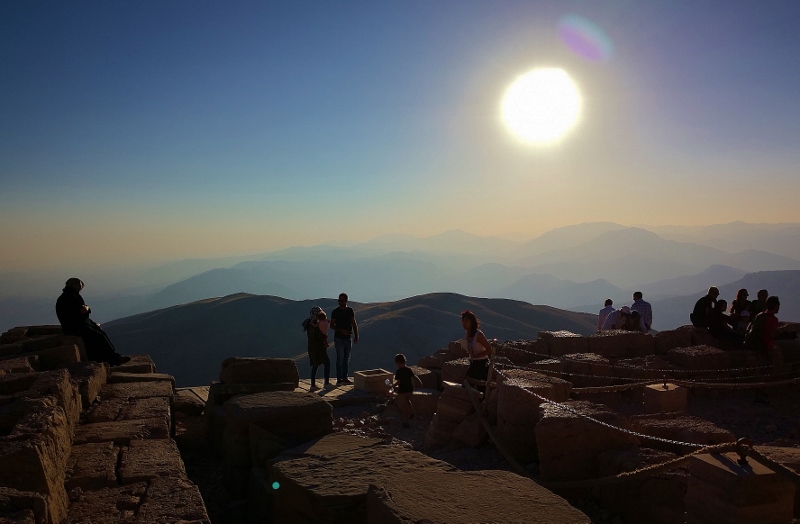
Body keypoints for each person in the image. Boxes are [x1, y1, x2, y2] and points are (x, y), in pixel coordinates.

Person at [55, 278, 130, 366]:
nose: (81, 287)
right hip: (75, 327)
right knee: (98, 336)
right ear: (74, 285)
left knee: (98, 331)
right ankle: (113, 359)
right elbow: (82, 310)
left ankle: (109, 358)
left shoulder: (67, 296)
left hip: (76, 324)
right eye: (80, 285)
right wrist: (87, 307)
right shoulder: (70, 297)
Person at [745, 296, 782, 403]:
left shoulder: (760, 316)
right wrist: (779, 331)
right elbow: (771, 334)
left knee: (762, 372)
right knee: (764, 373)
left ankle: (761, 392)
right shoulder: (773, 319)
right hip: (765, 347)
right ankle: (759, 396)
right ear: (775, 306)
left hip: (756, 346)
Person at [330, 292, 359, 385]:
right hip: (339, 338)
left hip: (348, 338)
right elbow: (331, 325)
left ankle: (345, 378)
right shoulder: (335, 312)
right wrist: (341, 330)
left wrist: (356, 335)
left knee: (346, 359)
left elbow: (354, 323)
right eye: (339, 300)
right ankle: (339, 379)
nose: (340, 302)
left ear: (346, 301)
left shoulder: (350, 311)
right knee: (340, 359)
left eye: (342, 300)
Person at [461, 310, 491, 393]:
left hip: (482, 364)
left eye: (466, 321)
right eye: (463, 321)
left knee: (481, 389)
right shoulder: (467, 333)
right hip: (473, 363)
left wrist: (477, 356)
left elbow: (489, 349)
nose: (464, 323)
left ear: (472, 322)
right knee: (466, 385)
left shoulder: (479, 335)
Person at [302, 306, 331, 391]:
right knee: (327, 363)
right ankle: (326, 383)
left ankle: (313, 385)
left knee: (315, 365)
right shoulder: (315, 323)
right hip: (319, 347)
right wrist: (325, 337)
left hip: (312, 348)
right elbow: (319, 335)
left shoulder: (309, 323)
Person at [393, 353, 423, 427]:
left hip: (402, 391)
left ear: (397, 363)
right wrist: (420, 382)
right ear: (405, 361)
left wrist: (392, 385)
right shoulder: (408, 369)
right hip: (410, 390)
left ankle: (406, 422)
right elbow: (414, 376)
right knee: (409, 402)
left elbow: (398, 382)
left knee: (404, 407)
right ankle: (412, 412)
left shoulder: (398, 371)